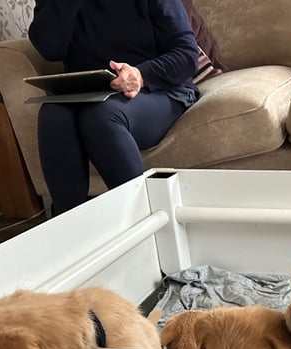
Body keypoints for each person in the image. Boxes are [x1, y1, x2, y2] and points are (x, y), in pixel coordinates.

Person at [28, 0, 200, 215]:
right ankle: (71, 230)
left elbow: (187, 55)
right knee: (52, 115)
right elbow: (51, 49)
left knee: (101, 116)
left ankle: (144, 223)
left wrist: (140, 75)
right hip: (91, 93)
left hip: (157, 89)